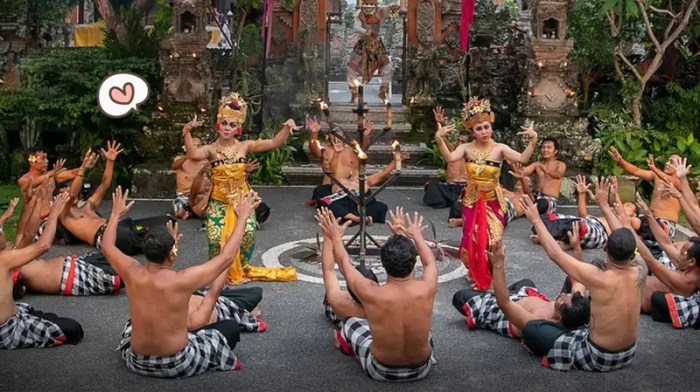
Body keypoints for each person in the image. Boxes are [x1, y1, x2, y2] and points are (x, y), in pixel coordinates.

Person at [105, 187, 259, 378]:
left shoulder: (132, 272)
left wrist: (115, 215)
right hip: (175, 363)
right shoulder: (183, 280)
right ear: (172, 253)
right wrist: (242, 218)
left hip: (137, 361)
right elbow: (227, 257)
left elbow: (107, 246)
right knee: (227, 330)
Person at [521, 183, 647, 372]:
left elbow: (556, 255)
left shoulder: (599, 277)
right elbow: (626, 237)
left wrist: (537, 220)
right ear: (632, 253)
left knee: (532, 330)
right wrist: (604, 205)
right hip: (629, 354)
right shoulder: (641, 268)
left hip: (599, 356)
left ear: (605, 248)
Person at [183, 92, 299, 284]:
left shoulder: (244, 146)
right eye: (224, 123)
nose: (227, 128)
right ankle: (217, 271)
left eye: (232, 124)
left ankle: (241, 268)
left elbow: (273, 143)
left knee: (247, 235)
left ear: (238, 128)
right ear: (218, 125)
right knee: (215, 239)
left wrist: (287, 127)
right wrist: (186, 131)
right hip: (219, 202)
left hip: (241, 200)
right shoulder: (211, 149)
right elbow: (194, 154)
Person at [316, 206, 437, 382]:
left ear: (384, 266)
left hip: (381, 370)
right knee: (424, 330)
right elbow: (430, 263)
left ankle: (345, 343)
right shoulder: (427, 286)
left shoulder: (370, 292)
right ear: (413, 263)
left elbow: (343, 264)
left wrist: (333, 236)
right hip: (422, 368)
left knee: (350, 324)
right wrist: (416, 235)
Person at [434, 97, 538, 289]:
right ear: (472, 131)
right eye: (479, 128)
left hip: (493, 200)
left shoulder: (500, 149)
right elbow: (449, 157)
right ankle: (474, 272)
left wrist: (533, 139)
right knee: (471, 238)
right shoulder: (465, 148)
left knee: (494, 238)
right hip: (472, 199)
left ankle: (492, 270)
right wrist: (439, 138)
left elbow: (522, 158)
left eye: (486, 127)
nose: (484, 132)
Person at [452, 235, 589, 340]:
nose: (563, 295)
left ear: (558, 316)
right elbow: (579, 277)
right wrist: (576, 248)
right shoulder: (575, 306)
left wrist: (497, 265)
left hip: (504, 312)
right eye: (567, 295)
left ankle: (494, 293)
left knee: (460, 296)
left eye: (563, 300)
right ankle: (502, 290)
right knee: (526, 282)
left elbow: (504, 303)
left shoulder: (537, 324)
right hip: (525, 297)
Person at [1, 192, 85, 350]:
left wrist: (32, 201)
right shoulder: (5, 259)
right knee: (74, 329)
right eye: (1, 230)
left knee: (34, 311)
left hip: (13, 315)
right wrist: (53, 215)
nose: (6, 237)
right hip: (7, 329)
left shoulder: (7, 257)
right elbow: (42, 244)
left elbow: (25, 233)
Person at [59, 141, 173, 255]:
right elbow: (73, 194)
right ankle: (157, 246)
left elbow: (104, 185)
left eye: (68, 189)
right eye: (64, 192)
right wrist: (82, 169)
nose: (68, 191)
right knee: (150, 242)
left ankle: (156, 240)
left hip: (120, 225)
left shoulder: (87, 207)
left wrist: (110, 161)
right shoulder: (64, 216)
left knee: (167, 221)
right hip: (108, 236)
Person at [633, 193, 700, 328]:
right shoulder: (686, 265)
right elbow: (666, 243)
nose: (678, 252)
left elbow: (649, 259)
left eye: (682, 252)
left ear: (692, 262)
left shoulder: (686, 280)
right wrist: (649, 215)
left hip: (630, 299)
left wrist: (624, 224)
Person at [532, 176, 641, 249]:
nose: (624, 205)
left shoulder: (632, 221)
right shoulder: (603, 217)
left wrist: (616, 195)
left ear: (634, 214)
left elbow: (632, 222)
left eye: (629, 205)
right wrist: (582, 194)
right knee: (544, 219)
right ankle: (557, 239)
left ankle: (550, 237)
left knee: (579, 227)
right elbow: (583, 215)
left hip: (600, 232)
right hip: (587, 221)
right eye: (625, 204)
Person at [317, 150, 407, 225]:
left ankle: (353, 217)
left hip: (358, 201)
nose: (362, 172)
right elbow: (331, 170)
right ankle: (355, 218)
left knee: (381, 207)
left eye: (364, 171)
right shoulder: (340, 180)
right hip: (339, 198)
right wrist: (336, 153)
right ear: (351, 172)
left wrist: (395, 161)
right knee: (324, 202)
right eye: (359, 170)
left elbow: (384, 172)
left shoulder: (366, 181)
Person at [609, 148, 681, 236]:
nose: (667, 163)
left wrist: (655, 169)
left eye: (671, 162)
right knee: (620, 218)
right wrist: (621, 161)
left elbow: (670, 181)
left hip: (665, 224)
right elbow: (636, 171)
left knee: (631, 222)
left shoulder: (681, 182)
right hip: (649, 219)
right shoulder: (656, 176)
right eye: (668, 161)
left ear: (680, 167)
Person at [307, 117, 371, 206]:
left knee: (366, 194)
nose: (337, 136)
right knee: (320, 192)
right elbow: (314, 150)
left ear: (343, 135)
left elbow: (364, 147)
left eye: (339, 133)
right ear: (329, 136)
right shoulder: (326, 149)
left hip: (351, 186)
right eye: (334, 134)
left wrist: (365, 135)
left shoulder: (352, 149)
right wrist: (314, 133)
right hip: (330, 187)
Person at [347, 0, 402, 102]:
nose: (368, 7)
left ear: (375, 4)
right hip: (362, 45)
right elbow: (356, 27)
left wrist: (394, 6)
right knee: (351, 66)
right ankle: (354, 92)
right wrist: (366, 31)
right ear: (362, 4)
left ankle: (383, 91)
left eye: (371, 4)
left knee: (388, 68)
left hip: (377, 46)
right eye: (366, 4)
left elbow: (390, 6)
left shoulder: (380, 11)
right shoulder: (360, 14)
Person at [423, 106, 469, 209]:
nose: (459, 142)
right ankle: (453, 201)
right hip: (449, 186)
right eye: (458, 140)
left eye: (463, 141)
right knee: (431, 186)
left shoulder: (471, 154)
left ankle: (453, 201)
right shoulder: (452, 150)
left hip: (463, 188)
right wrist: (439, 123)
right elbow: (441, 139)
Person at [521, 136, 566, 213]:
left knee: (541, 204)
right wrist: (512, 163)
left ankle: (530, 210)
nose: (545, 150)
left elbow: (559, 175)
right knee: (518, 202)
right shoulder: (537, 164)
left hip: (549, 199)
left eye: (549, 147)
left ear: (555, 151)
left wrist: (546, 170)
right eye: (543, 147)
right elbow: (522, 172)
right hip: (535, 196)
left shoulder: (560, 164)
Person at [172, 137, 209, 220]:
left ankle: (193, 212)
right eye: (192, 145)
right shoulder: (180, 159)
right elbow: (174, 166)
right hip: (185, 195)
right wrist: (187, 156)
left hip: (200, 195)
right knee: (178, 203)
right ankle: (194, 212)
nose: (195, 148)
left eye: (198, 146)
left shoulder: (206, 161)